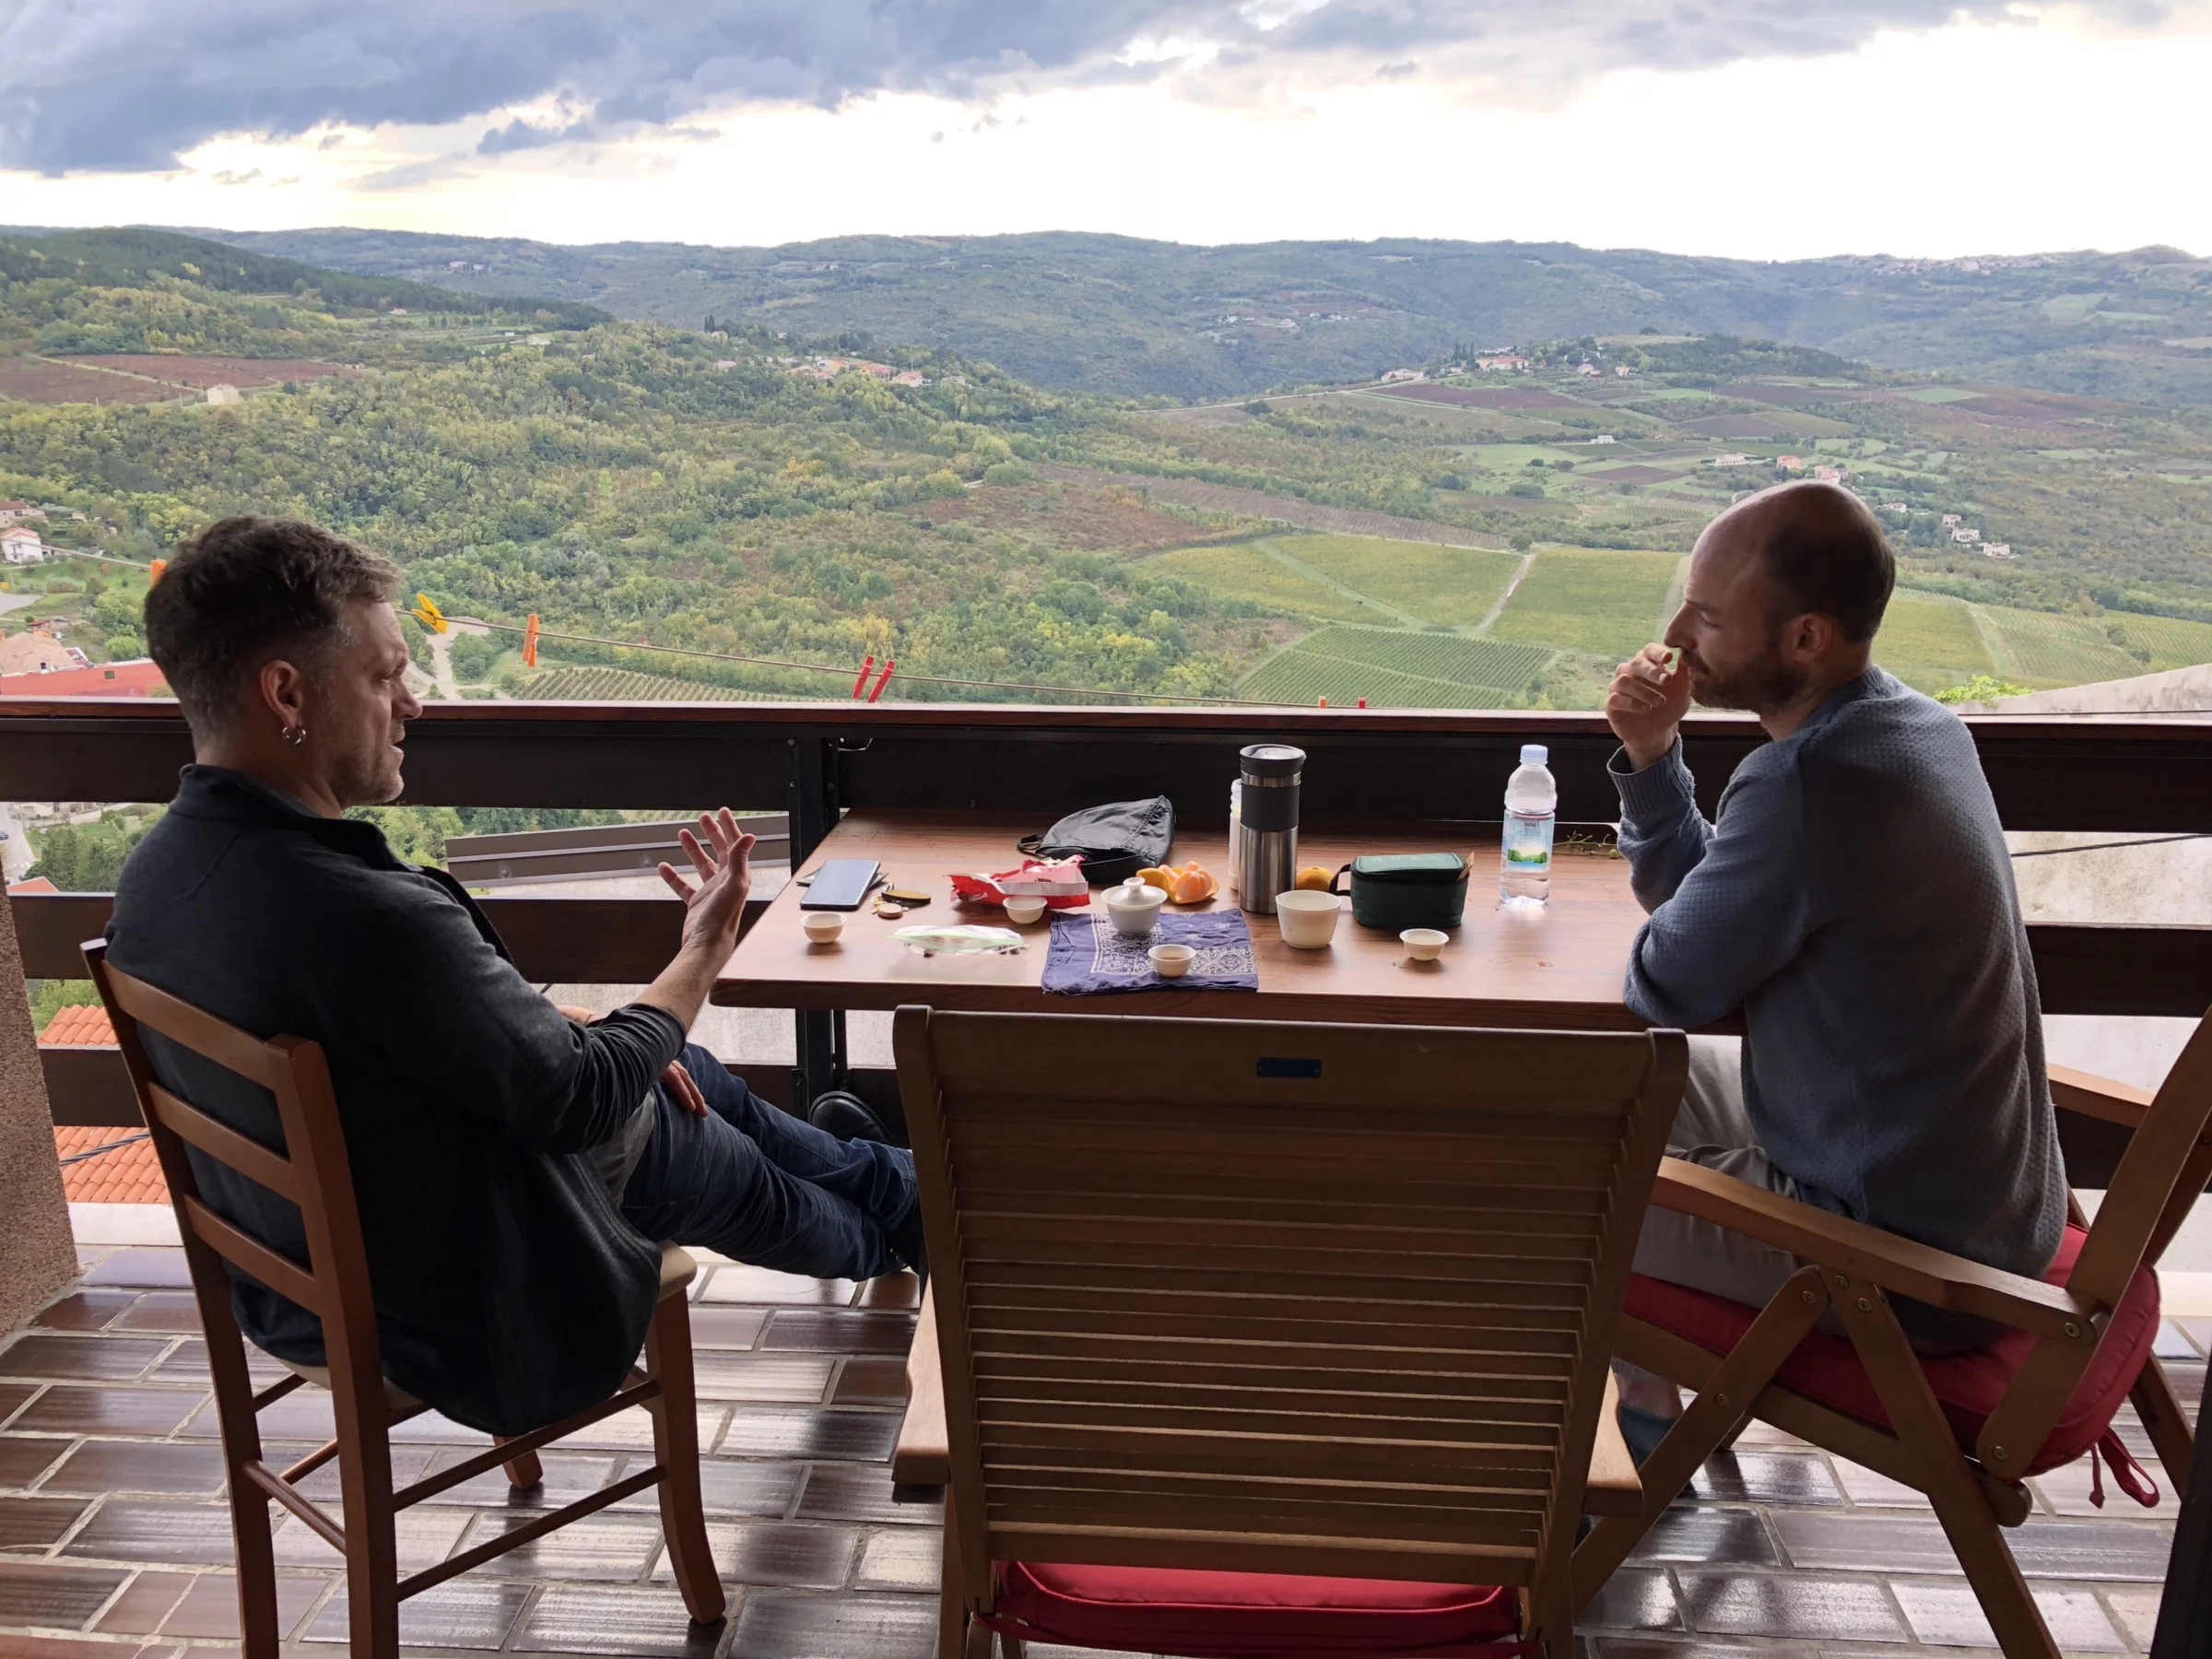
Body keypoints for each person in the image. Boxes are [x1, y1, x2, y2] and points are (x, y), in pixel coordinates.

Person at [109, 516, 922, 1436]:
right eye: (383, 677)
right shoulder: (367, 915)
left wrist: (589, 1030)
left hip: (305, 1271)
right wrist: (701, 951)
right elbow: (577, 1098)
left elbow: (382, 1028)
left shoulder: (157, 880)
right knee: (677, 1112)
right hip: (472, 1289)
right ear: (286, 692)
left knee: (682, 1074)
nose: (411, 703)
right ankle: (901, 1226)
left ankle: (892, 1181)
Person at [1603, 480, 2065, 1441]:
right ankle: (1649, 1401)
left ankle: (1633, 1437)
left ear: (1807, 638)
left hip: (1905, 1264)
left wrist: (1658, 796)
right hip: (1972, 1203)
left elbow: (1669, 980)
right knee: (1601, 1087)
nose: (1679, 633)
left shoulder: (1812, 777)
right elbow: (1716, 912)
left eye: (1712, 616)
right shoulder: (1916, 728)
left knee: (1561, 1182)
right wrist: (1654, 755)